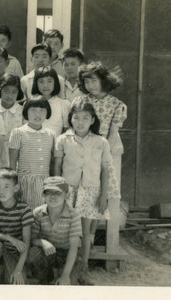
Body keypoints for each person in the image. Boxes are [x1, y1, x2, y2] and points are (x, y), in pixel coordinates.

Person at [53, 101, 118, 284]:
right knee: (68, 229)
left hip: (91, 191)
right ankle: (64, 268)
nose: (80, 122)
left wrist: (103, 195)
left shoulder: (101, 141)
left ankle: (83, 268)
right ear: (70, 119)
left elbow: (105, 170)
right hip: (69, 190)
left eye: (85, 118)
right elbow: (57, 166)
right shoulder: (62, 139)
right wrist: (59, 190)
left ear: (92, 120)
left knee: (86, 231)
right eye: (76, 118)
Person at [73, 61, 127, 202]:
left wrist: (104, 152)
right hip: (81, 147)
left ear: (104, 80)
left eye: (94, 81)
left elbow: (113, 132)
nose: (91, 85)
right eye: (87, 82)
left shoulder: (117, 105)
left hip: (101, 148)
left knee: (101, 189)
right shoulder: (80, 101)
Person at [0, 168, 33, 284]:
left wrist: (18, 270)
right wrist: (9, 238)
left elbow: (26, 243)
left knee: (17, 284)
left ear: (16, 188)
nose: (1, 191)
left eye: (6, 186)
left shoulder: (24, 209)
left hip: (14, 253)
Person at [27, 176, 82, 285]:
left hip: (67, 254)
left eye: (58, 193)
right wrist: (43, 242)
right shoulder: (38, 212)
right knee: (34, 253)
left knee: (69, 283)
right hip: (49, 252)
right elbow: (32, 239)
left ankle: (64, 274)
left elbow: (74, 247)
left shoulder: (73, 214)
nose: (52, 197)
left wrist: (65, 276)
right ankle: (45, 278)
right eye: (48, 193)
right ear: (43, 195)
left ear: (67, 195)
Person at [9, 96, 55, 209]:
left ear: (47, 113)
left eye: (42, 111)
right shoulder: (18, 132)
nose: (37, 114)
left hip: (44, 181)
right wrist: (14, 184)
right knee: (24, 211)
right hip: (24, 181)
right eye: (33, 110)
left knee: (42, 212)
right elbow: (12, 162)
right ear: (26, 112)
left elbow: (53, 162)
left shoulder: (51, 134)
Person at [31, 66, 70, 138]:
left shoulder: (63, 104)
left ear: (55, 82)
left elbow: (66, 132)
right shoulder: (30, 104)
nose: (45, 85)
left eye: (49, 81)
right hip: (33, 147)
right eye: (41, 81)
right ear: (36, 83)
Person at [0, 74, 24, 168]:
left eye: (14, 92)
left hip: (16, 154)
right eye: (6, 91)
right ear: (0, 90)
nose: (10, 95)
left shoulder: (22, 111)